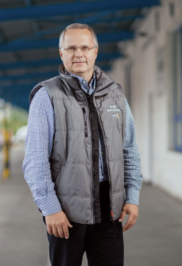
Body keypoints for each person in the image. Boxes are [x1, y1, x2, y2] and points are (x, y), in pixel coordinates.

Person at [22, 23, 142, 266]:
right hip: (66, 212)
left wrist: (132, 196)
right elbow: (35, 160)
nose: (79, 54)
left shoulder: (115, 94)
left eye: (85, 47)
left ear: (95, 51)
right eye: (71, 48)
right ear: (62, 53)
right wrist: (50, 209)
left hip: (110, 209)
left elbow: (129, 149)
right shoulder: (47, 96)